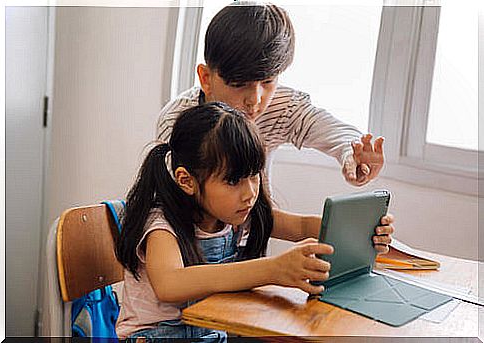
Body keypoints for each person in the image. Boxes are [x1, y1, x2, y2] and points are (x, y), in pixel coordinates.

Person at [157, 2, 394, 254]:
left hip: (250, 250)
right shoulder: (178, 122)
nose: (255, 99)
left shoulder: (281, 106)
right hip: (190, 254)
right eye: (239, 84)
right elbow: (180, 211)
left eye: (268, 81)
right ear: (206, 78)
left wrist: (352, 154)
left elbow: (332, 130)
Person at [116, 102, 338, 341]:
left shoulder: (237, 213)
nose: (250, 193)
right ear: (186, 180)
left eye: (254, 175)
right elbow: (169, 284)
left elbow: (302, 227)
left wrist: (358, 230)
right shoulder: (162, 225)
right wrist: (271, 269)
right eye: (233, 181)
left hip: (210, 333)